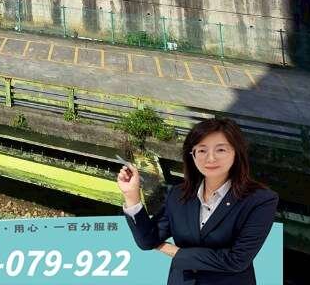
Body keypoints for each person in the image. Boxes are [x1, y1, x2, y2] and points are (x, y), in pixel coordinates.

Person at [117, 116, 278, 285]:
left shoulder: (260, 200)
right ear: (192, 155)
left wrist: (174, 251)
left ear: (236, 153)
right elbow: (148, 240)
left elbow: (236, 260)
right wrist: (132, 196)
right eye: (202, 150)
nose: (210, 158)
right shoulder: (179, 194)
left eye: (220, 150)